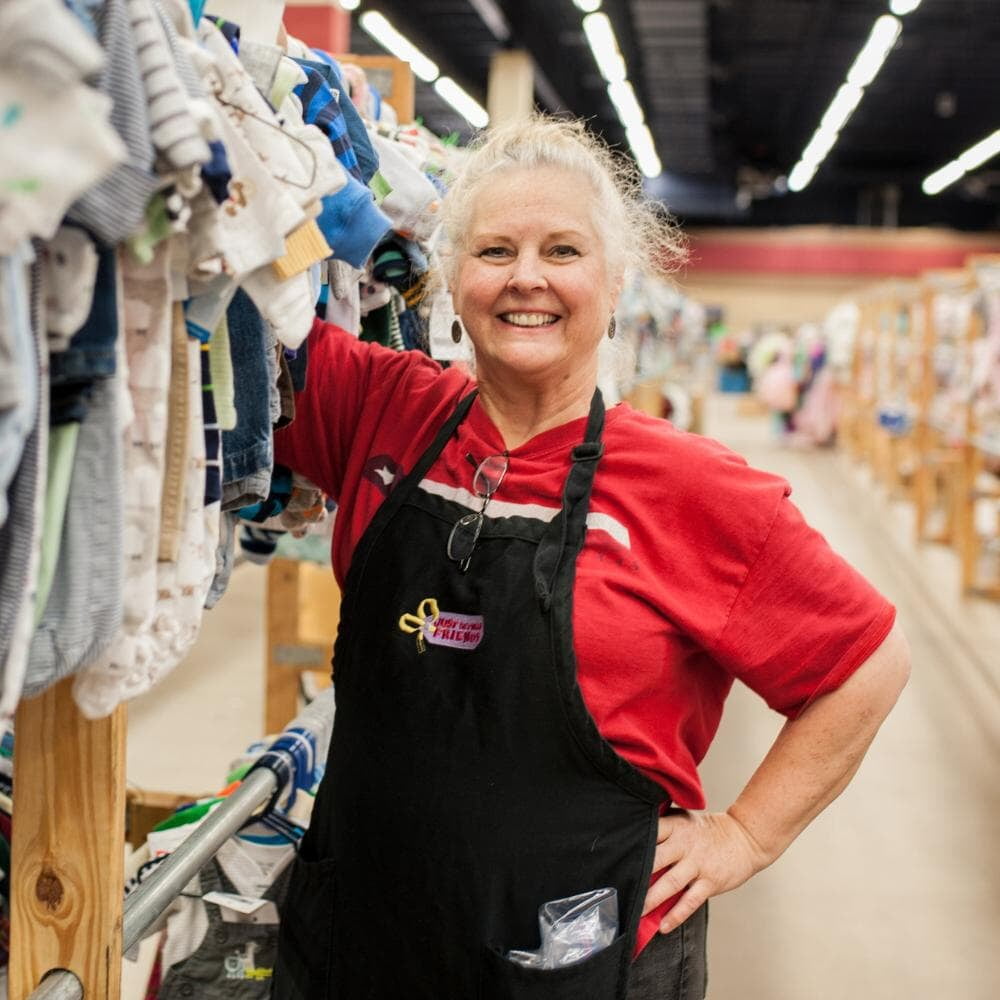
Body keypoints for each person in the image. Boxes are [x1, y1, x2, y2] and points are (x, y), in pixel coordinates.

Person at [270, 117, 910, 1000]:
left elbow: (867, 665)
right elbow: (224, 288)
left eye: (562, 250)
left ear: (613, 284)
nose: (525, 278)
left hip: (577, 959)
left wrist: (746, 836)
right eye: (494, 249)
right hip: (361, 938)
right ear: (453, 281)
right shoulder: (383, 409)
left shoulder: (692, 488)